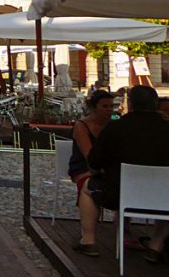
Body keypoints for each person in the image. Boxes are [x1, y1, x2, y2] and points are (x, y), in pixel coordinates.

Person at [87, 85, 169, 264]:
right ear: (155, 104)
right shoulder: (166, 128)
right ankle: (156, 244)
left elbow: (94, 161)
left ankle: (88, 239)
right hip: (163, 198)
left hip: (118, 195)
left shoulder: (116, 128)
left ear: (130, 104)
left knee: (87, 188)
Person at [67, 90, 114, 257]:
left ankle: (123, 229)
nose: (110, 110)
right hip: (83, 167)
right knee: (90, 183)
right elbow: (89, 156)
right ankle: (88, 236)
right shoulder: (82, 126)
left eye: (112, 106)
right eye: (105, 106)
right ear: (94, 108)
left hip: (106, 167)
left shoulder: (113, 126)